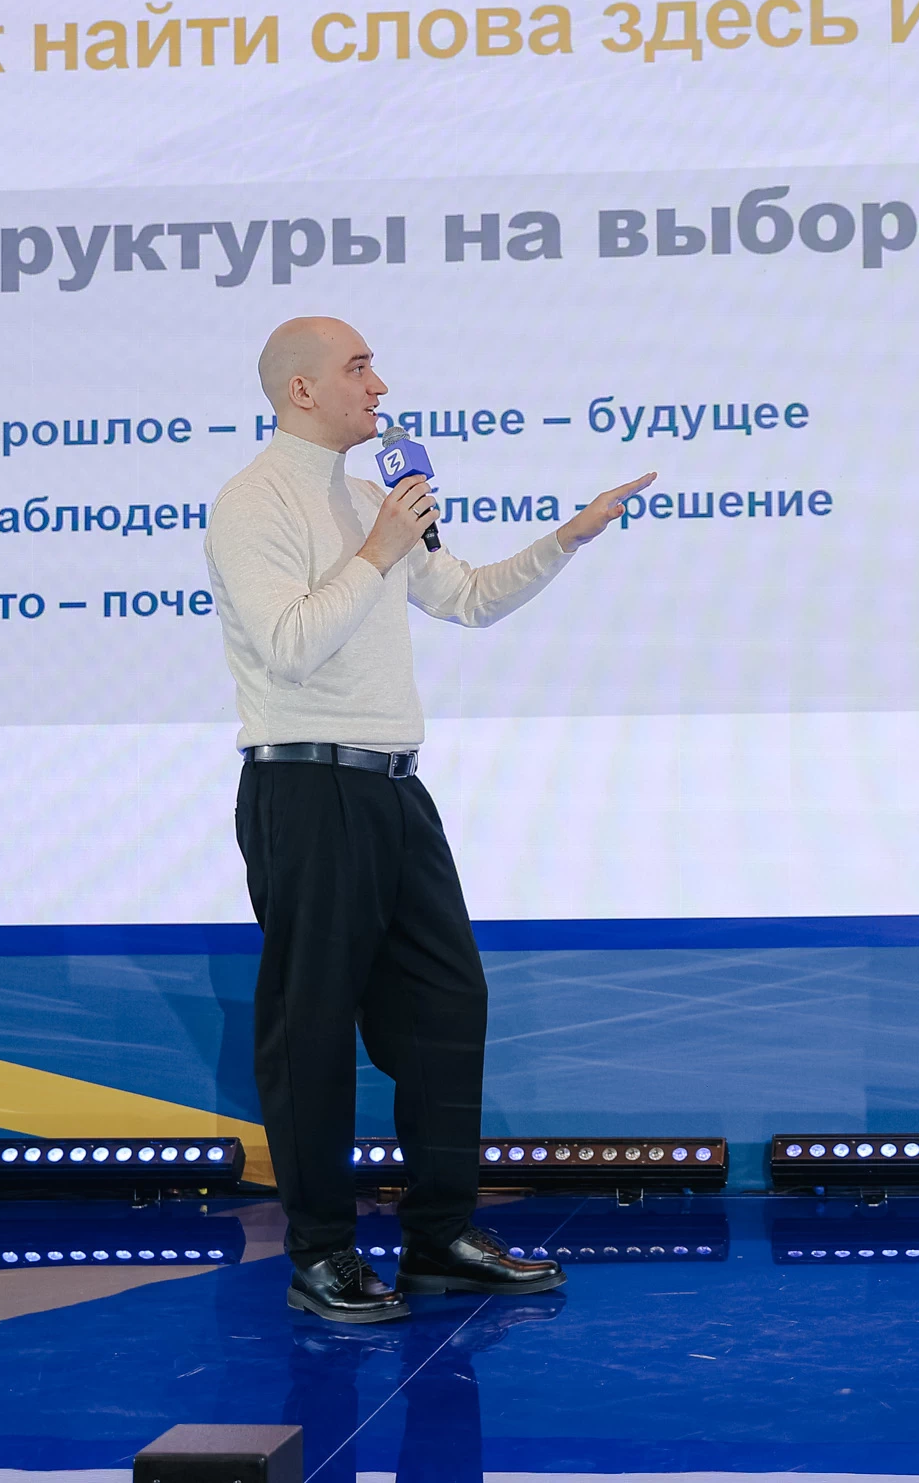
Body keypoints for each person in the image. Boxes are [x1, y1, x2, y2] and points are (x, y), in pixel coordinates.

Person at [206, 315, 654, 1323]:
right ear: (302, 390)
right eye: (359, 366)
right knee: (313, 1026)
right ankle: (322, 1252)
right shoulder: (254, 501)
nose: (381, 384)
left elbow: (471, 599)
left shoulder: (374, 499)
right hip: (305, 786)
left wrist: (568, 537)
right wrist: (377, 549)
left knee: (448, 1003)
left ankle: (441, 1236)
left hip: (394, 789)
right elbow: (289, 645)